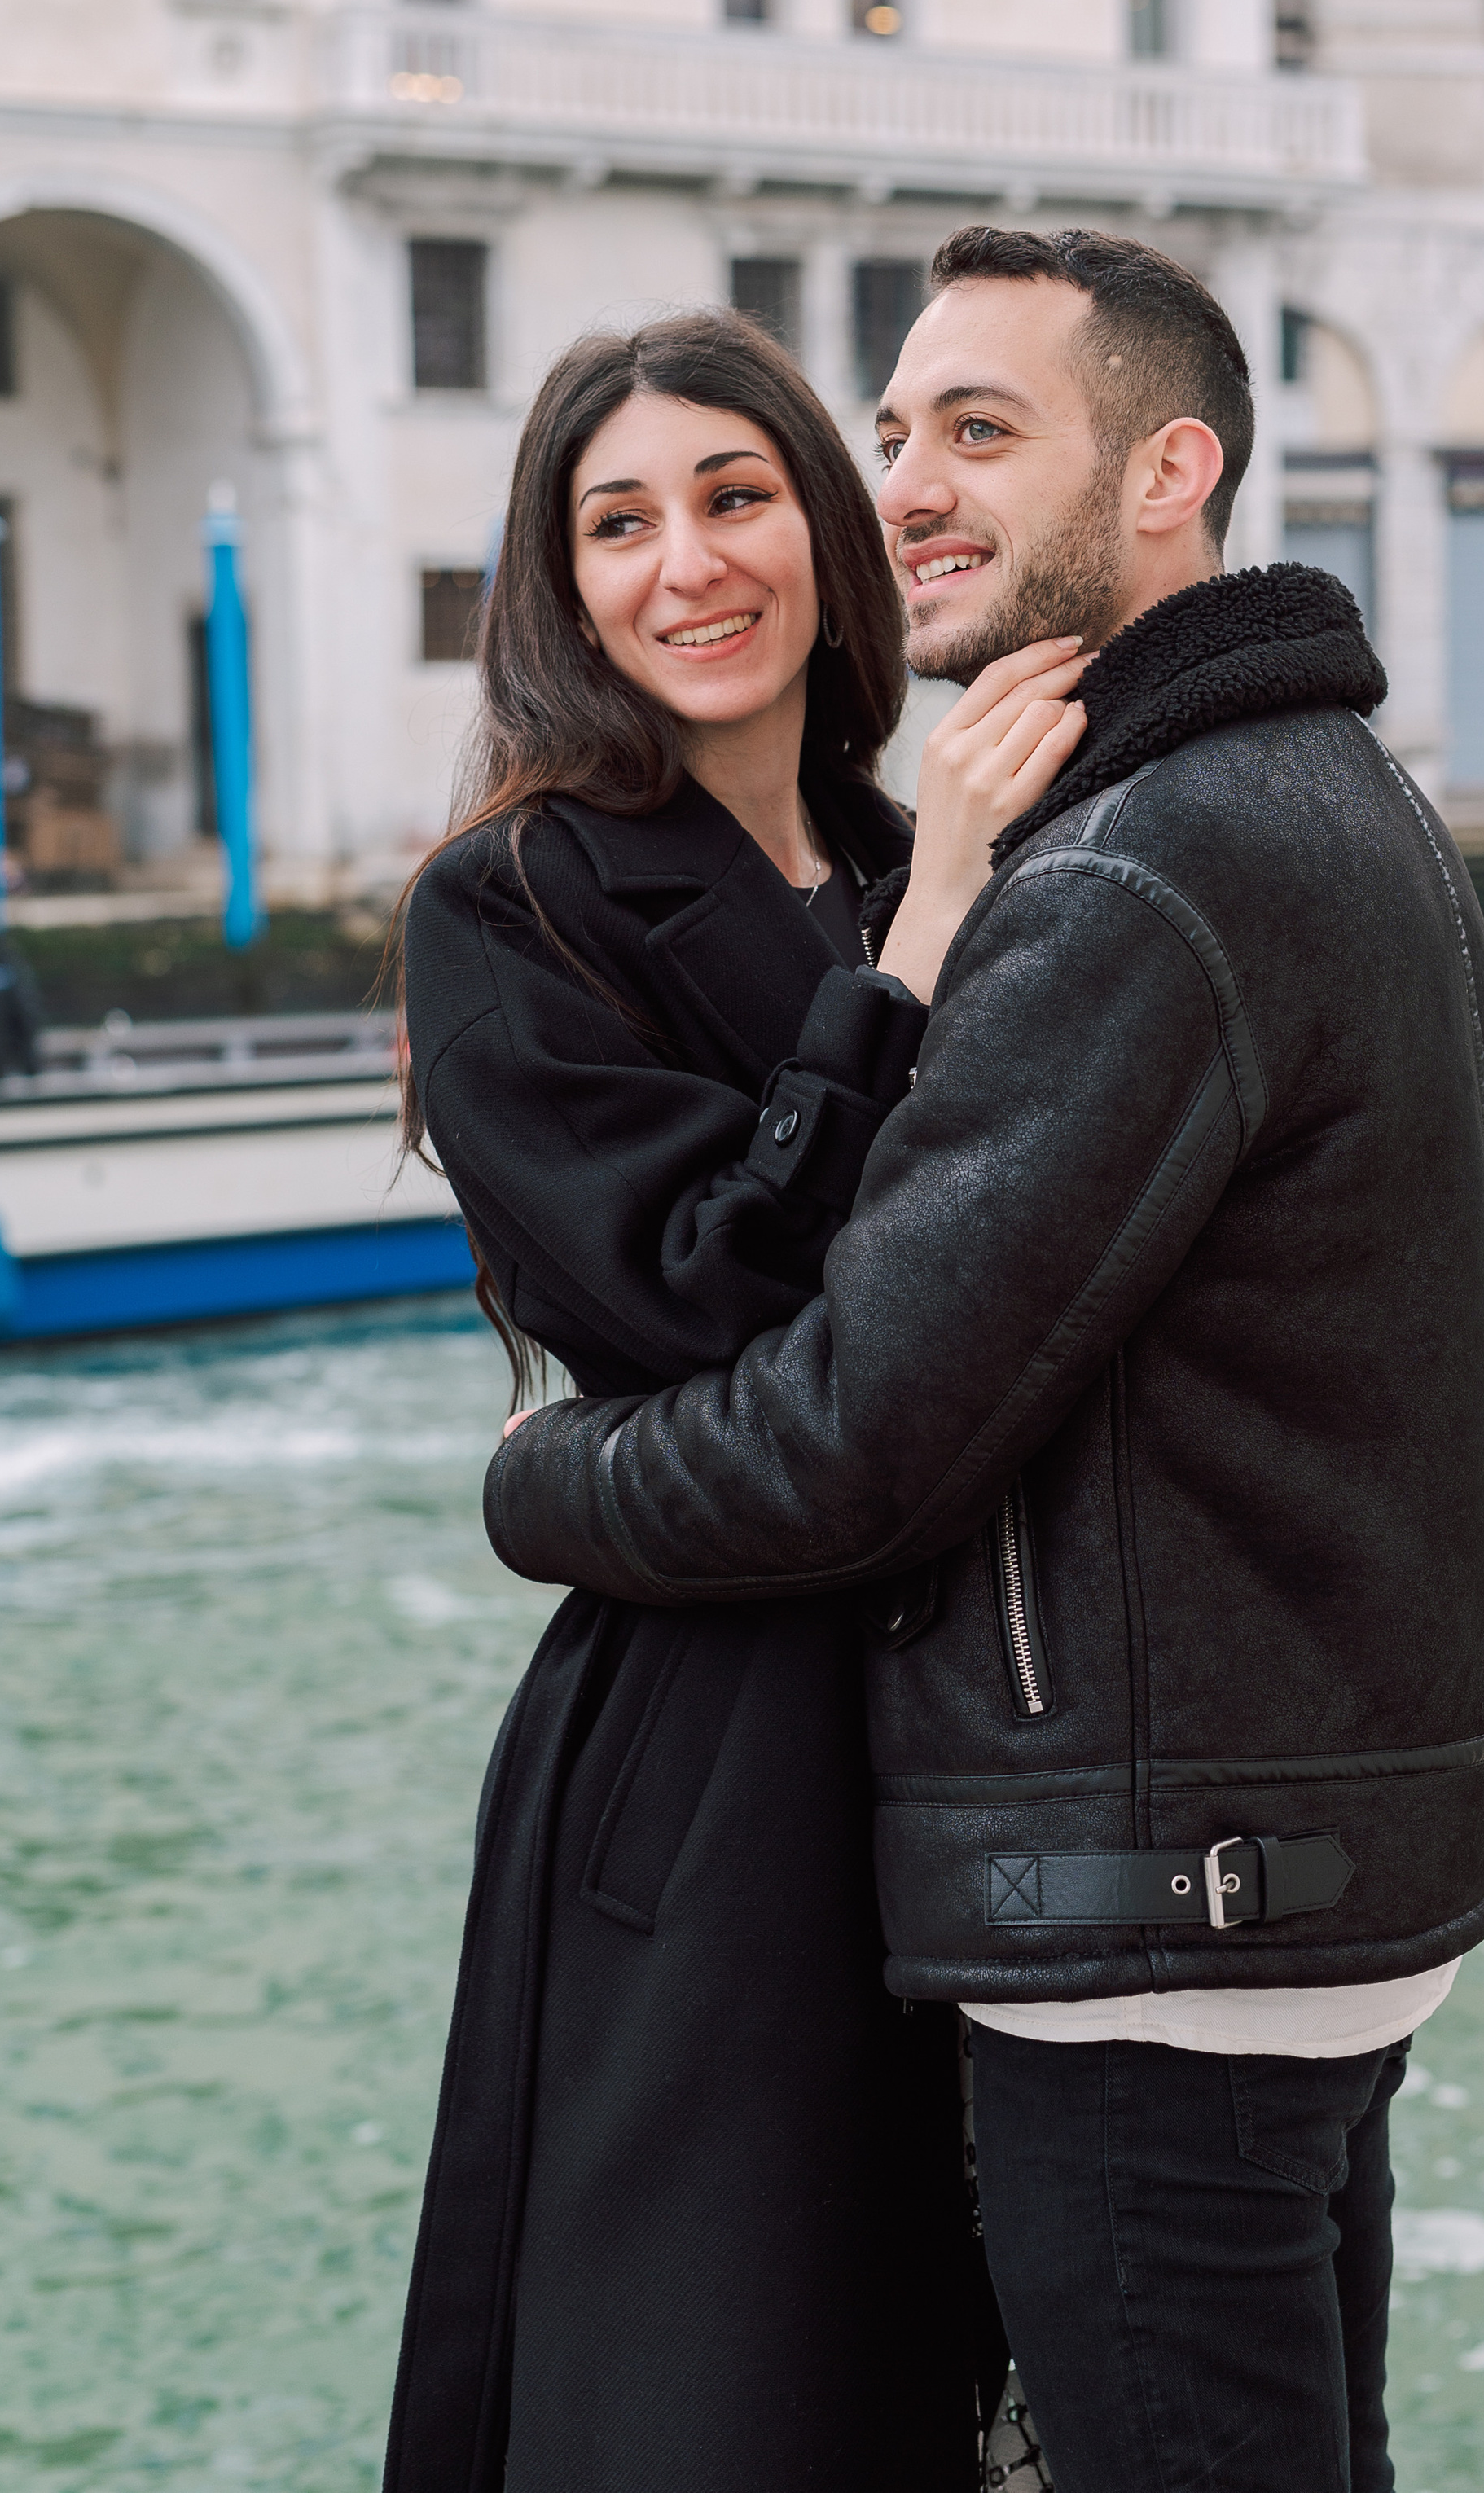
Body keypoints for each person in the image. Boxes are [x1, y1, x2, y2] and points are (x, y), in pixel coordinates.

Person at [484, 228, 1484, 2493]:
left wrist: (538, 1482)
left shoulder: (1130, 875)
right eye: (895, 433)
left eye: (982, 431)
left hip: (1163, 1906)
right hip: (1294, 1869)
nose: (911, 487)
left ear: (1171, 471)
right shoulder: (1337, 796)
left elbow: (857, 1437)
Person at [382, 307, 1087, 2493]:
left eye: (736, 495)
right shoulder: (510, 905)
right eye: (619, 523)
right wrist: (924, 943)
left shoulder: (908, 843)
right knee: (721, 2392)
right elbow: (704, 1292)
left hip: (997, 1734)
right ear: (561, 584)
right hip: (714, 1762)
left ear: (824, 534)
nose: (685, 563)